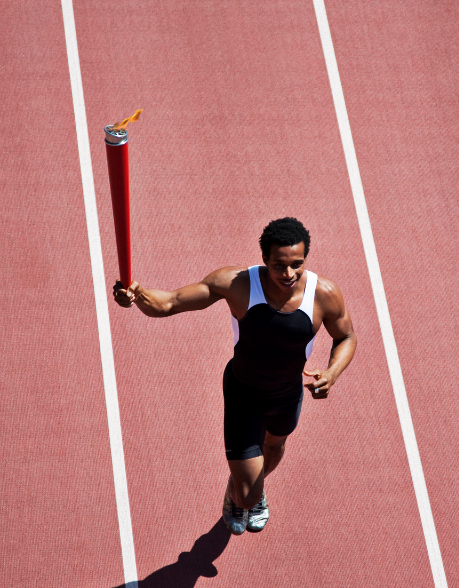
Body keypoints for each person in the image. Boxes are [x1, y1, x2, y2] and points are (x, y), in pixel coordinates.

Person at [113, 217, 357, 535]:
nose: (289, 274)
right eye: (279, 265)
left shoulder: (323, 294)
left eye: (297, 264)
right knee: (246, 495)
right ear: (265, 260)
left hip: (287, 396)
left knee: (274, 448)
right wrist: (137, 294)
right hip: (244, 395)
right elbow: (169, 303)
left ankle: (252, 481)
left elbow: (347, 336)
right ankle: (241, 491)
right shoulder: (237, 285)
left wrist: (332, 373)